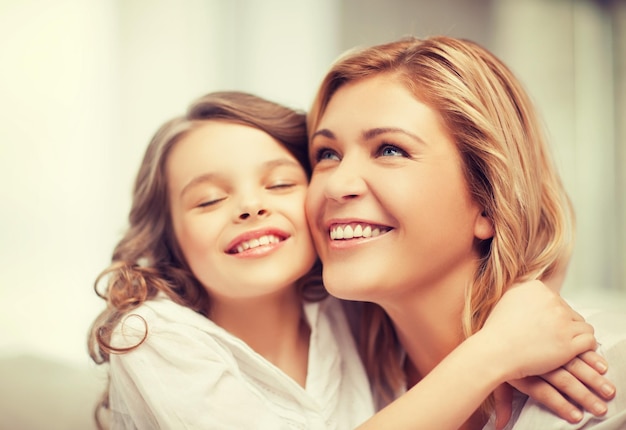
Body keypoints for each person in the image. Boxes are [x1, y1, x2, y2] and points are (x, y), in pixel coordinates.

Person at [88, 90, 611, 430]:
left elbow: (441, 261)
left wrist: (523, 293)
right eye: (207, 201)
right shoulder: (154, 335)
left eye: (281, 182)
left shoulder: (349, 313)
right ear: (168, 238)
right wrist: (493, 352)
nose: (250, 206)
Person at [305, 35, 626, 429]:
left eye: (390, 150)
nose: (336, 185)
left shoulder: (602, 379)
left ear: (489, 200)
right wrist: (487, 358)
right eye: (327, 154)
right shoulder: (331, 381)